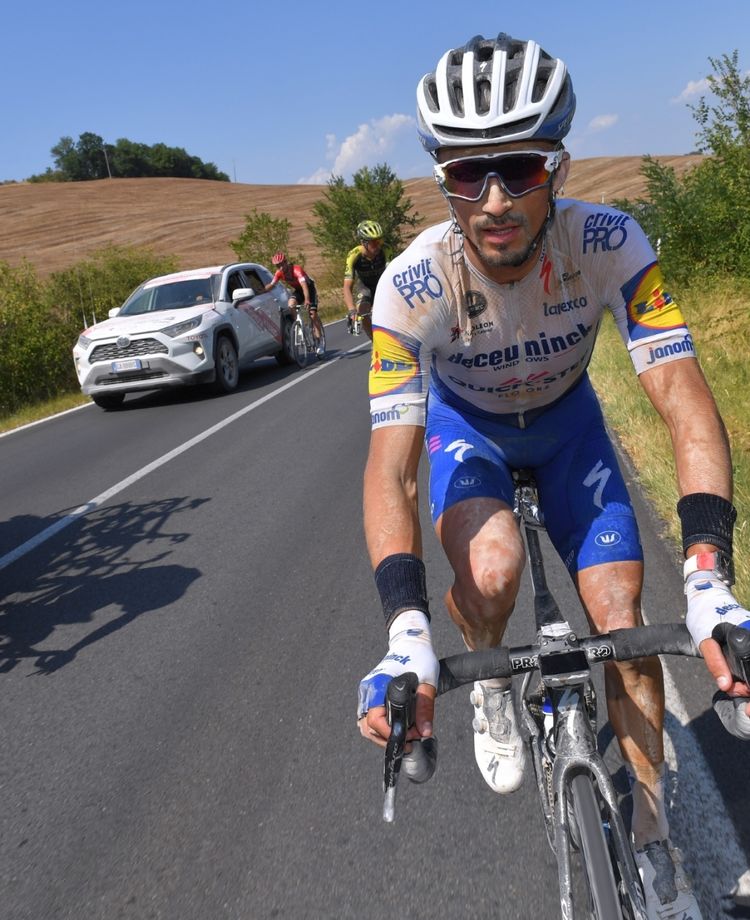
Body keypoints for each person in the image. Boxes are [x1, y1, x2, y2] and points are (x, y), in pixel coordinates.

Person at [356, 32, 750, 920]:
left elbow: (684, 399)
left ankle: (653, 835)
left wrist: (710, 576)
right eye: (467, 175)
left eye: (521, 169)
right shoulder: (408, 286)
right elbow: (392, 467)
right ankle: (496, 683)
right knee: (489, 573)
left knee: (624, 617)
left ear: (558, 166)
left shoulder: (611, 240)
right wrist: (407, 632)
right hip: (473, 436)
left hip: (572, 432)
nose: (494, 200)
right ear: (442, 178)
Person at [265, 252, 324, 355]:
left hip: (308, 289)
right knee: (291, 304)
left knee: (313, 315)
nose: (280, 267)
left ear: (286, 262)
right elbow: (271, 285)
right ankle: (299, 323)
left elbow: (304, 285)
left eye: (281, 264)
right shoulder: (279, 273)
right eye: (277, 266)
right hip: (298, 290)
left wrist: (307, 299)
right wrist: (261, 290)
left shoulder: (297, 270)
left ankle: (319, 341)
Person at [343, 220, 389, 340]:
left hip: (383, 284)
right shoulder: (354, 255)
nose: (378, 245)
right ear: (364, 243)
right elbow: (347, 286)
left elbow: (392, 275)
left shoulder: (385, 250)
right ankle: (376, 342)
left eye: (379, 240)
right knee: (362, 311)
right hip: (365, 286)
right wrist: (351, 310)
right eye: (374, 242)